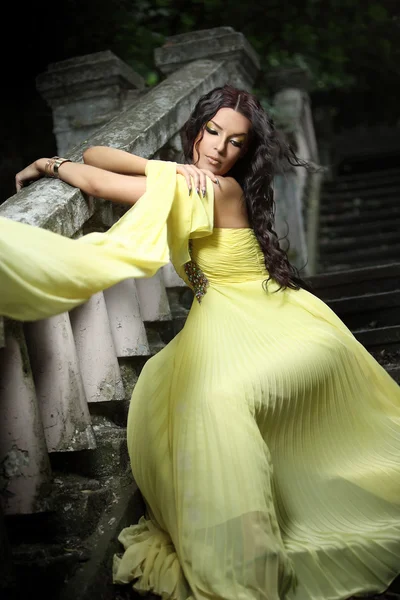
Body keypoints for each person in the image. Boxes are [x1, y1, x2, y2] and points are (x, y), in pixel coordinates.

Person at [4, 84, 400, 600]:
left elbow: (95, 177)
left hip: (270, 317)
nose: (218, 149)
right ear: (197, 128)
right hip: (228, 315)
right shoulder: (187, 178)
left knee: (218, 400)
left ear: (246, 153)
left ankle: (246, 553)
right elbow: (97, 152)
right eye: (213, 132)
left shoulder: (218, 191)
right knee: (186, 393)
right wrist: (166, 168)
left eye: (235, 142)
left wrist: (47, 164)